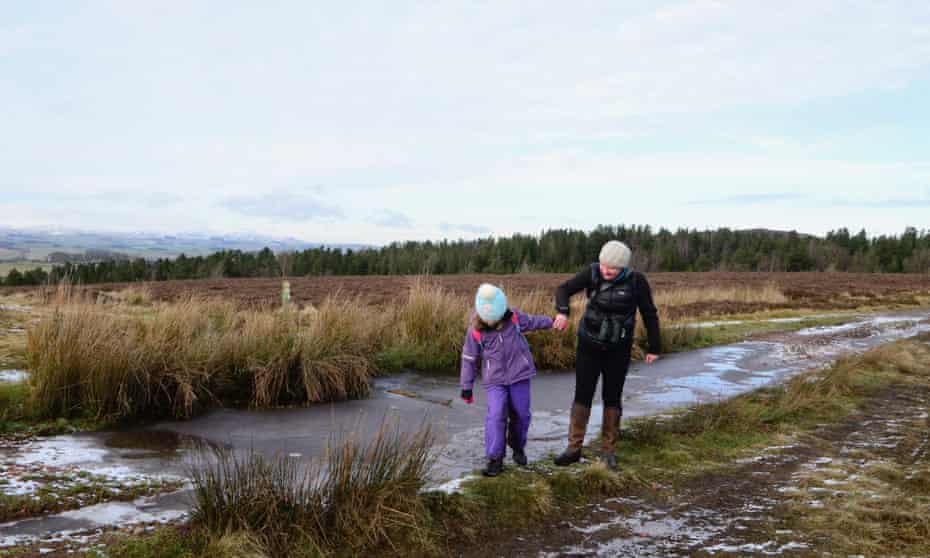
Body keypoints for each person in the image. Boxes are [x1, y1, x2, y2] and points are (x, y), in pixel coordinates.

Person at [551, 240, 660, 469]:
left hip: (618, 349)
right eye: (603, 265)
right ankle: (573, 449)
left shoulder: (636, 281)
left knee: (612, 397)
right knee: (583, 394)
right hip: (588, 345)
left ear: (623, 267)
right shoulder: (592, 272)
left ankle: (609, 452)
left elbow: (649, 313)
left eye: (612, 267)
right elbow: (563, 290)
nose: (606, 270)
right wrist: (562, 312)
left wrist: (654, 346)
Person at [460, 283, 558, 477]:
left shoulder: (514, 318)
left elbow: (533, 321)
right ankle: (495, 459)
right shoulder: (475, 330)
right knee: (496, 415)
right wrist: (466, 387)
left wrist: (552, 321)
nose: (491, 322)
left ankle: (517, 446)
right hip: (494, 380)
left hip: (519, 375)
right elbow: (469, 358)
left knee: (521, 414)